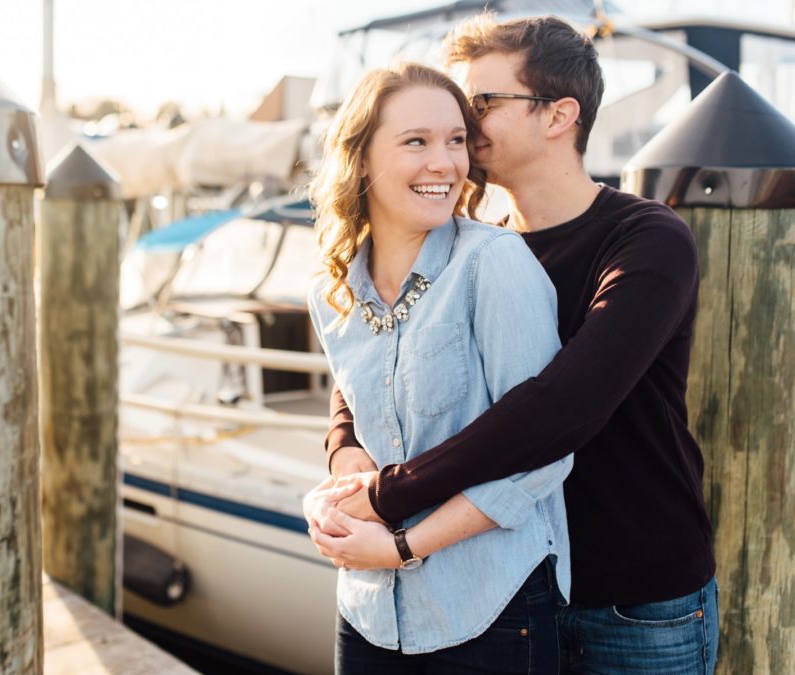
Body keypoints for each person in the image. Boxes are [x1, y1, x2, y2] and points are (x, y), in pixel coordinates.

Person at [315, 14, 720, 674]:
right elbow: (377, 353)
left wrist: (391, 500)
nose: (464, 125)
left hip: (635, 595)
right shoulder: (469, 244)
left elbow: (559, 409)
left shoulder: (646, 240)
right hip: (510, 581)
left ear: (560, 115)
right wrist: (344, 446)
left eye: (483, 103)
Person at [303, 60, 573, 674]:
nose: (444, 164)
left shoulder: (494, 265)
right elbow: (361, 424)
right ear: (362, 159)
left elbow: (542, 455)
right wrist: (334, 495)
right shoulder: (331, 291)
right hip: (369, 608)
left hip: (491, 603)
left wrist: (400, 547)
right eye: (416, 142)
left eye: (455, 141)